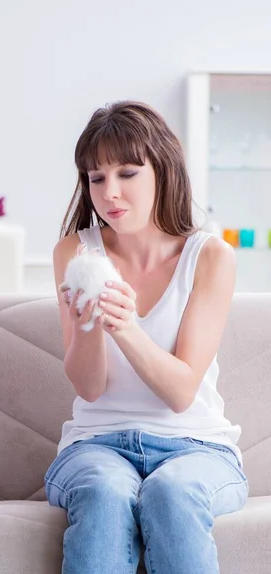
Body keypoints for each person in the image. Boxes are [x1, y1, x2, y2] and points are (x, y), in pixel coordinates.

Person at [46, 101, 248, 574]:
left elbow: (181, 392)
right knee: (103, 491)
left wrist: (127, 326)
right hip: (97, 444)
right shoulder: (76, 251)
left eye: (127, 173)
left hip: (197, 446)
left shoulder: (211, 257)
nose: (110, 193)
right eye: (96, 178)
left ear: (162, 170)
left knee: (171, 491)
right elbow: (89, 388)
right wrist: (92, 325)